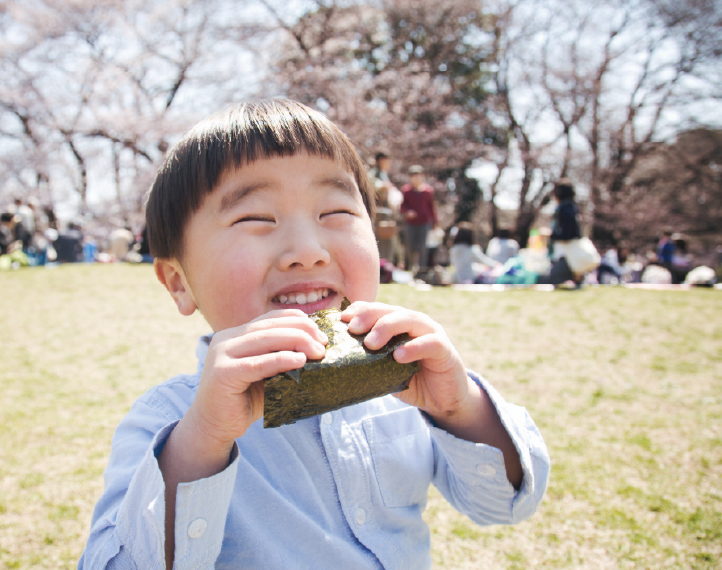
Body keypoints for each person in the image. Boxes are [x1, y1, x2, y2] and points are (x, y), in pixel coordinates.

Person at [78, 99, 550, 569]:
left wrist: (459, 407)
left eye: (336, 213)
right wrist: (203, 439)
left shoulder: (406, 392)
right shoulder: (171, 420)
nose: (308, 251)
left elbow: (504, 503)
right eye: (254, 219)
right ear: (180, 282)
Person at [537, 179, 582, 285]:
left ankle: (576, 277)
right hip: (564, 255)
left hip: (567, 256)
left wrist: (549, 234)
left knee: (543, 281)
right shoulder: (569, 208)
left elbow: (569, 234)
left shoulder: (566, 210)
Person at [400, 165, 438, 274]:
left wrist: (435, 222)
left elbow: (432, 207)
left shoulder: (428, 191)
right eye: (414, 176)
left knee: (423, 247)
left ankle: (422, 270)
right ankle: (410, 268)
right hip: (410, 223)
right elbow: (402, 206)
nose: (416, 178)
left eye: (418, 176)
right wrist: (408, 211)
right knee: (410, 246)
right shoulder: (406, 191)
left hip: (424, 223)